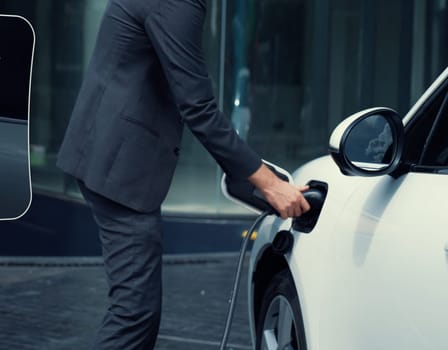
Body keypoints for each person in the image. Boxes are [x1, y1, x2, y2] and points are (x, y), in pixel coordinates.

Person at [56, 0, 310, 349]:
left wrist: (257, 180)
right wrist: (268, 184)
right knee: (134, 315)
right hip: (120, 169)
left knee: (135, 313)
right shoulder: (176, 3)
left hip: (107, 155)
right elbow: (198, 108)